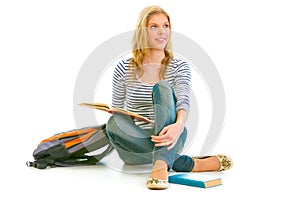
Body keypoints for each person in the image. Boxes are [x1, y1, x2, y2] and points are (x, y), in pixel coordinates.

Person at [105, 5, 232, 190]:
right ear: (143, 31)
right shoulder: (123, 68)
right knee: (113, 122)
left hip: (172, 135)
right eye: (154, 26)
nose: (162, 31)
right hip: (134, 145)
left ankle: (160, 164)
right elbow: (118, 110)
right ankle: (187, 163)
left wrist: (178, 126)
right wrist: (127, 117)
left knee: (162, 87)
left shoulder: (179, 66)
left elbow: (183, 101)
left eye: (166, 26)